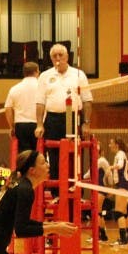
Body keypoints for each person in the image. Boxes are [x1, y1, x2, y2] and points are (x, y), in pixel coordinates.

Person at [34, 43, 93, 182]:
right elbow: (40, 102)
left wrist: (86, 123)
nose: (58, 58)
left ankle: (74, 188)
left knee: (74, 153)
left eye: (61, 55)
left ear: (67, 57)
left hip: (72, 118)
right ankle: (57, 193)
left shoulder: (78, 74)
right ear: (51, 59)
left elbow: (87, 101)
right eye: (54, 56)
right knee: (53, 156)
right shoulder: (44, 76)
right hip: (53, 119)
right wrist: (39, 125)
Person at [5, 62, 40, 153]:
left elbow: (7, 108)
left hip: (20, 125)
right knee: (38, 154)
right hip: (38, 124)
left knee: (24, 155)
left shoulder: (15, 88)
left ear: (24, 73)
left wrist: (12, 127)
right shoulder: (41, 87)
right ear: (37, 72)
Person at [108, 137, 128, 246]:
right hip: (124, 184)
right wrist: (127, 177)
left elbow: (120, 165)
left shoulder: (120, 154)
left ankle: (123, 239)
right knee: (124, 213)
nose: (109, 145)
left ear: (117, 144)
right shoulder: (122, 154)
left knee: (118, 212)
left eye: (111, 143)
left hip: (122, 184)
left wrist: (112, 167)